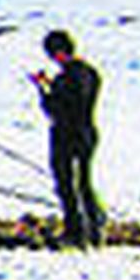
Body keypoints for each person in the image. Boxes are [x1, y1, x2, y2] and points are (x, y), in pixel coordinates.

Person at [29, 29, 105, 247]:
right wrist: (51, 85)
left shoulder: (67, 77)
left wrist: (43, 89)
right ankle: (95, 228)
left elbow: (56, 108)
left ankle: (76, 232)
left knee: (66, 185)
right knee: (84, 182)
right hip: (88, 132)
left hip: (67, 135)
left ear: (60, 52)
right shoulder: (90, 72)